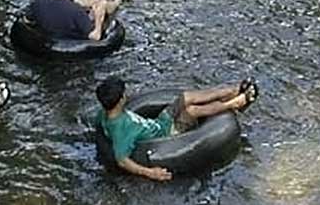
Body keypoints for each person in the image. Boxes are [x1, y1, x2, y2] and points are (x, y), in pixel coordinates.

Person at [95, 76, 259, 182]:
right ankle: (234, 104)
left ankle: (232, 90)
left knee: (186, 97)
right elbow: (122, 160)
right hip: (167, 133)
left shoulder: (106, 114)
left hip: (159, 122)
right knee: (192, 111)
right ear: (120, 99)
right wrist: (150, 172)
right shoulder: (121, 131)